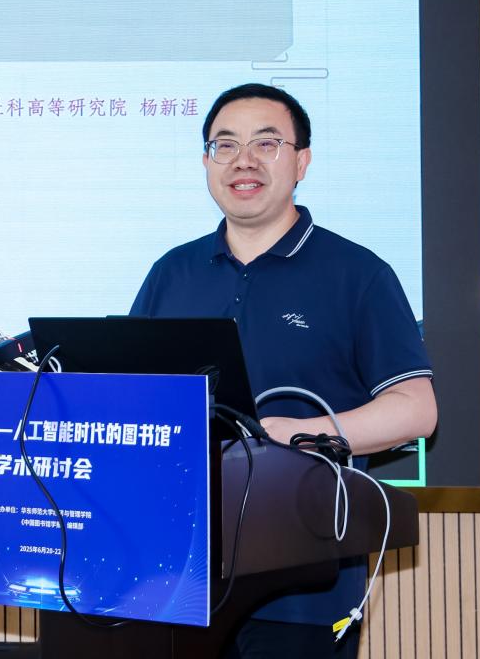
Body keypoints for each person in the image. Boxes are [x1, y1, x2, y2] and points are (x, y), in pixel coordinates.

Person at [129, 83, 437, 659]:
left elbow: (416, 411)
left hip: (304, 580)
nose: (243, 160)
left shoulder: (358, 274)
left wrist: (292, 434)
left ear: (302, 162)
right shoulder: (171, 273)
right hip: (174, 575)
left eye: (266, 144)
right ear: (206, 162)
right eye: (225, 145)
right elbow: (130, 400)